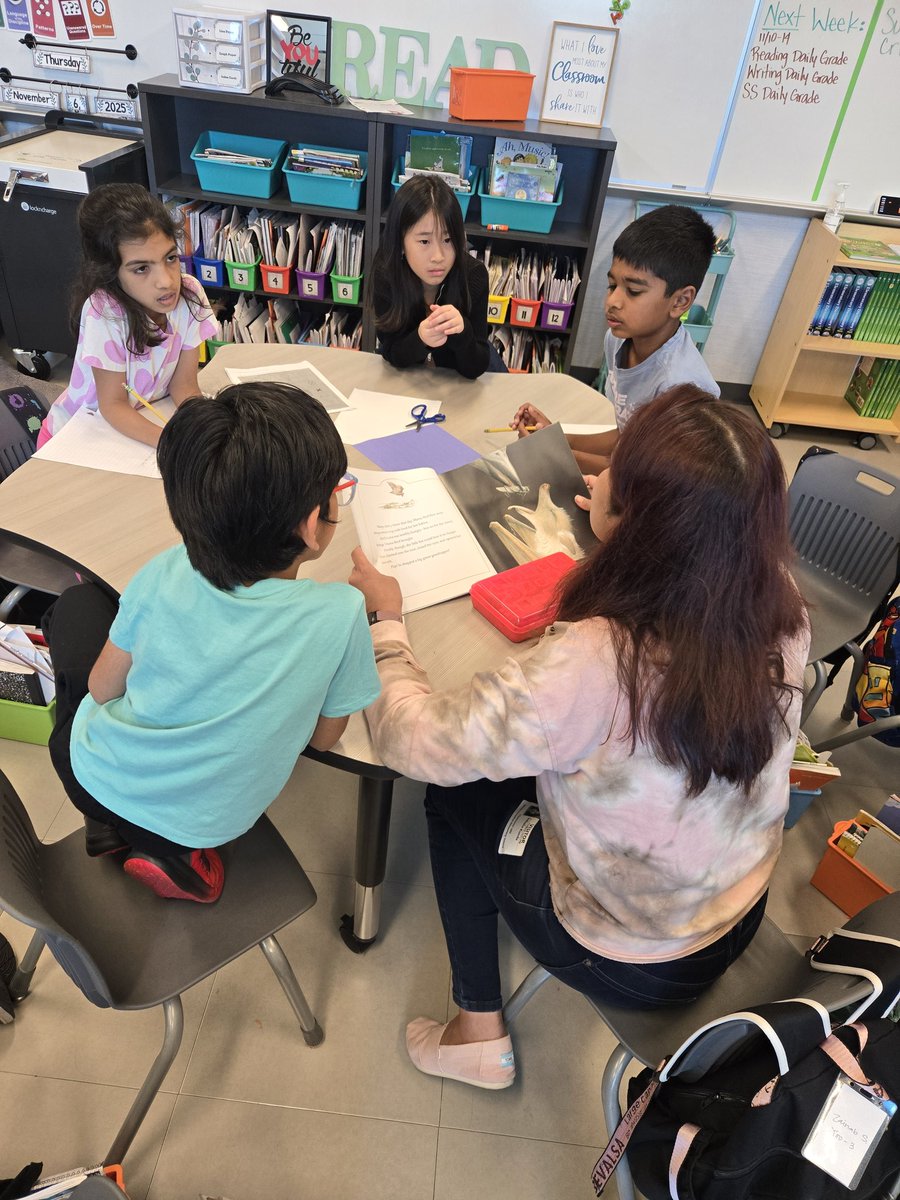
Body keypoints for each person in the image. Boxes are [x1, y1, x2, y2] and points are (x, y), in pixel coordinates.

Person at [349, 385, 809, 1090]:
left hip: (633, 958)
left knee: (452, 796)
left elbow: (412, 743)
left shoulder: (596, 660)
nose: (594, 477)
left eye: (612, 477)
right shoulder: (778, 600)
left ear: (641, 528)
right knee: (527, 765)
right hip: (742, 909)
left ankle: (476, 1031)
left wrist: (387, 627)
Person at [42, 383, 381, 903]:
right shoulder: (341, 613)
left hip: (88, 778)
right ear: (313, 525)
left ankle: (107, 826)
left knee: (76, 607)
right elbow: (322, 740)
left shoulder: (165, 570)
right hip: (210, 823)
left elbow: (103, 689)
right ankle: (175, 858)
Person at [511, 205, 720, 472]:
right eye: (612, 285)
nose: (613, 301)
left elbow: (639, 473)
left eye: (633, 291)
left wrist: (555, 452)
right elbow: (626, 438)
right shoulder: (617, 340)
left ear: (680, 301)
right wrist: (555, 437)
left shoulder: (680, 388)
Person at [37, 183, 217, 449]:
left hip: (140, 419)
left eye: (170, 258)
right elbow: (113, 405)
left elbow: (184, 385)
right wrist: (174, 446)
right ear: (111, 272)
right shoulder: (104, 312)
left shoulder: (190, 293)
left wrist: (208, 429)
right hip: (74, 437)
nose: (166, 282)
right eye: (141, 268)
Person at [370, 175, 495, 378]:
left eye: (448, 239)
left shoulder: (474, 276)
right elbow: (391, 351)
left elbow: (477, 367)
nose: (438, 257)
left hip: (458, 385)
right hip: (410, 382)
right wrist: (420, 339)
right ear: (401, 242)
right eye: (424, 242)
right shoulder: (387, 273)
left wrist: (462, 333)